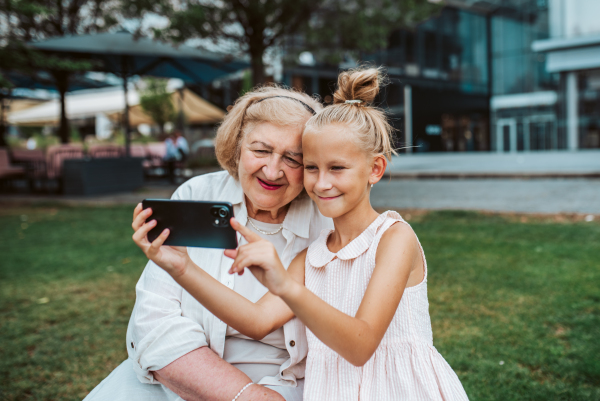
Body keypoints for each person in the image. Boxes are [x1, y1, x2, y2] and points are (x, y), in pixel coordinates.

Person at [142, 67, 469, 400]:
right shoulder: (314, 254)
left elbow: (360, 346)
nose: (321, 182)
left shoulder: (394, 238)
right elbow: (255, 321)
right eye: (311, 167)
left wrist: (284, 285)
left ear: (375, 169)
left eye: (336, 168)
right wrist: (183, 268)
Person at [84, 86, 330, 401]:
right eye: (260, 150)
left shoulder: (326, 223)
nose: (272, 170)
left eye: (292, 158)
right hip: (184, 371)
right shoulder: (197, 194)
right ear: (239, 145)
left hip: (288, 384)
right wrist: (243, 395)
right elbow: (154, 322)